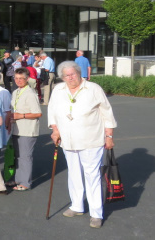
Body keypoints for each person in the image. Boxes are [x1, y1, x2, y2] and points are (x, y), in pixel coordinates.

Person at [48, 61, 117, 229]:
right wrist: (55, 131)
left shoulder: (93, 89)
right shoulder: (58, 89)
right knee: (74, 173)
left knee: (92, 175)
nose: (70, 78)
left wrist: (109, 136)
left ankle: (96, 213)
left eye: (73, 74)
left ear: (79, 73)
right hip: (67, 140)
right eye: (67, 75)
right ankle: (77, 206)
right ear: (62, 77)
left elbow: (107, 113)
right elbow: (52, 111)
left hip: (91, 140)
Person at [9, 67, 41, 191]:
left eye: (21, 78)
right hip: (17, 128)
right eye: (16, 78)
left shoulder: (30, 93)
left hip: (27, 130)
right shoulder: (16, 92)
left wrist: (20, 116)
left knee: (25, 157)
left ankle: (25, 183)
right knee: (18, 156)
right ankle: (18, 179)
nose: (18, 81)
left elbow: (38, 113)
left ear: (27, 79)